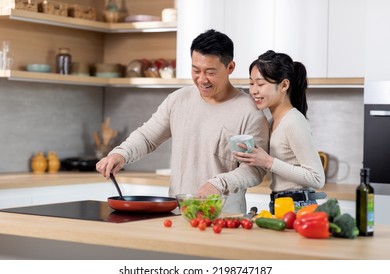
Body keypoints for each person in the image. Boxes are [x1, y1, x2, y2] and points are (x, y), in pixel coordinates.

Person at [96, 29, 270, 213]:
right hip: (178, 215)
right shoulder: (178, 100)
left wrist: (218, 184)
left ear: (230, 67)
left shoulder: (250, 112)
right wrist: (120, 154)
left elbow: (254, 170)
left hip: (223, 219)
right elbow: (147, 137)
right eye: (196, 70)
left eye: (210, 72)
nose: (202, 79)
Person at [233, 50, 326, 213]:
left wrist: (268, 161)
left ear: (284, 85)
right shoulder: (272, 121)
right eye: (251, 83)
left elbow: (317, 178)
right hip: (281, 205)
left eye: (260, 84)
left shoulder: (293, 121)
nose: (254, 91)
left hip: (298, 207)